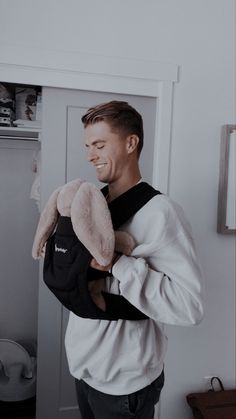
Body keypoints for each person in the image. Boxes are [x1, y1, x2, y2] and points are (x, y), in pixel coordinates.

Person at [64, 100, 204, 419]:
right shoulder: (91, 204)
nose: (90, 155)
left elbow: (190, 307)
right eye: (88, 146)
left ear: (131, 143)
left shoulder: (161, 213)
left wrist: (118, 263)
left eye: (99, 144)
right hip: (84, 367)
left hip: (125, 384)